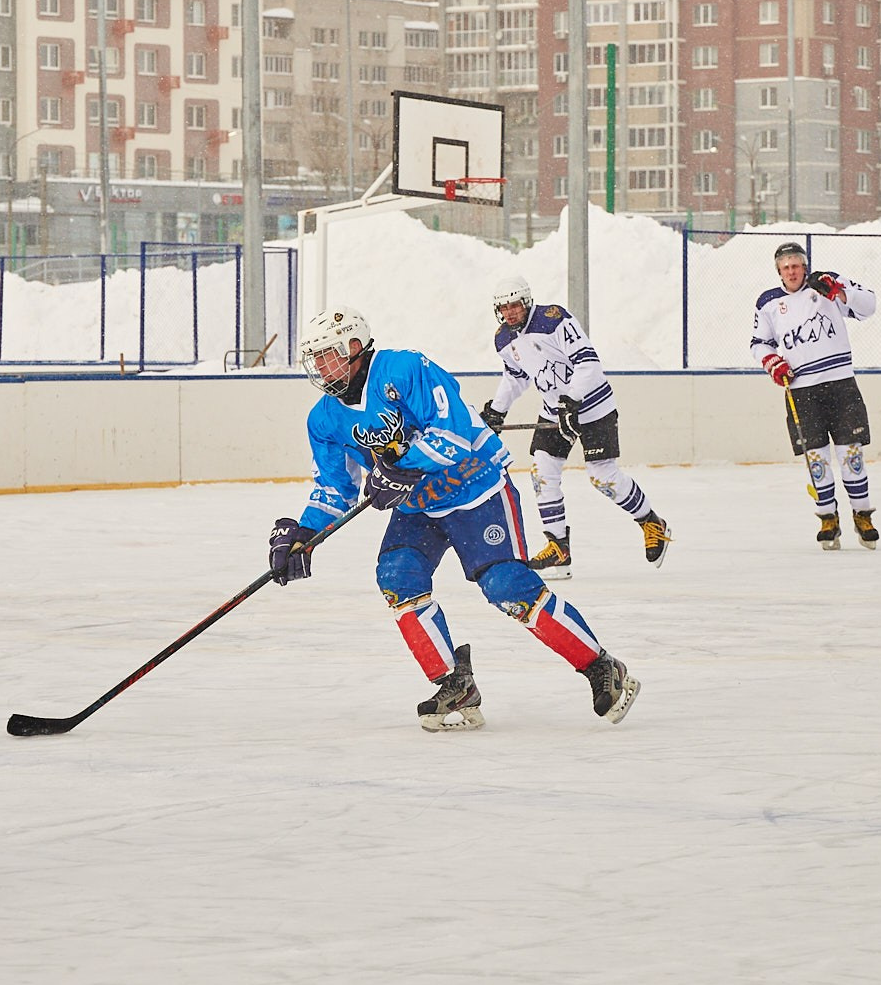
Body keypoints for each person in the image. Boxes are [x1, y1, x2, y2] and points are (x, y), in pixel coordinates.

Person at [266, 307, 639, 733]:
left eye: (326, 354)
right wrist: (305, 532)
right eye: (313, 358)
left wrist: (401, 463)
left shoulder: (405, 368)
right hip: (418, 507)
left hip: (475, 489)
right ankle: (454, 684)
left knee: (506, 587)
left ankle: (601, 667)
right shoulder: (324, 418)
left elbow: (455, 434)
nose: (318, 366)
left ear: (354, 347)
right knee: (396, 577)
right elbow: (336, 488)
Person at [478, 273, 670, 577]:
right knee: (542, 471)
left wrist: (572, 399)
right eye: (503, 308)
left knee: (601, 477)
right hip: (555, 412)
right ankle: (558, 548)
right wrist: (497, 411)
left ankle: (651, 522)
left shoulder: (553, 320)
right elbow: (516, 377)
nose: (509, 312)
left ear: (526, 301)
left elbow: (588, 363)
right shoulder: (504, 338)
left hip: (593, 407)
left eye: (514, 305)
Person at [749, 241, 881, 551]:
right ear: (779, 271)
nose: (792, 271)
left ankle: (862, 514)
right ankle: (827, 517)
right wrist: (772, 362)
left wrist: (840, 292)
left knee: (851, 452)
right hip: (801, 390)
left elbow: (869, 305)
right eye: (786, 267)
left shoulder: (825, 284)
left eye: (796, 265)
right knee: (816, 456)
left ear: (804, 265)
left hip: (840, 384)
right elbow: (758, 343)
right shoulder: (768, 302)